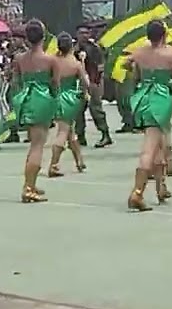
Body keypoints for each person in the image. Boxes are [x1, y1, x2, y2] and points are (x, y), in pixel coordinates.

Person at [125, 20, 172, 212]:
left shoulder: (139, 53)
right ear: (164, 35)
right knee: (150, 148)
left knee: (157, 144)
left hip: (142, 98)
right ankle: (137, 192)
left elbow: (133, 74)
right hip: (160, 100)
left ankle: (161, 187)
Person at [12, 19, 58, 203]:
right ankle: (28, 188)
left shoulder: (20, 59)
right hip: (43, 99)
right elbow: (55, 83)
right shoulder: (50, 60)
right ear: (43, 37)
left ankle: (30, 183)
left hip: (27, 98)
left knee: (33, 144)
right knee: (38, 146)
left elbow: (16, 81)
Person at [50, 32, 92, 177]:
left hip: (55, 96)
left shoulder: (52, 61)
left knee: (69, 130)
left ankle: (79, 160)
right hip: (69, 98)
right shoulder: (75, 63)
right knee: (63, 131)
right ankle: (54, 165)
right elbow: (85, 83)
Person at [73, 24, 113, 149]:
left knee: (96, 109)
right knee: (78, 110)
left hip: (93, 81)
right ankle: (80, 136)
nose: (84, 35)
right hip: (79, 83)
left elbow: (100, 67)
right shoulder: (73, 48)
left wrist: (94, 83)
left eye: (86, 33)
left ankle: (105, 134)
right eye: (81, 33)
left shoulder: (94, 48)